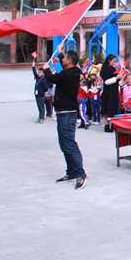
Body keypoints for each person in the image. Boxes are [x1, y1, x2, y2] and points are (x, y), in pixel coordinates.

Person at [43, 49, 87, 190]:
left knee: (70, 144)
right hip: (63, 113)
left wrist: (46, 69)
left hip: (67, 113)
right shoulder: (71, 72)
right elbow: (62, 70)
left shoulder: (69, 74)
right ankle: (71, 172)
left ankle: (80, 174)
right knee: (64, 144)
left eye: (65, 58)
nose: (62, 60)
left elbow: (53, 79)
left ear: (70, 61)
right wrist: (61, 53)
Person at [100, 54, 120, 130]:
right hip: (108, 92)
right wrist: (116, 78)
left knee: (113, 109)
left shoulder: (113, 68)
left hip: (114, 91)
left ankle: (111, 124)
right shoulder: (105, 69)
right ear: (109, 60)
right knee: (108, 109)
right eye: (113, 61)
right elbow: (106, 81)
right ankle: (107, 125)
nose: (114, 63)